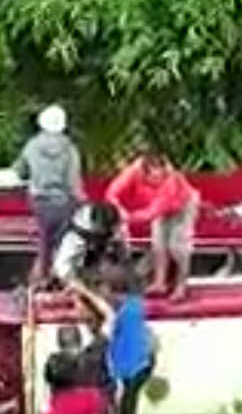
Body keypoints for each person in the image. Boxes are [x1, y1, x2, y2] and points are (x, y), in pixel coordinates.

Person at [69, 268, 154, 414]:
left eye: (76, 304)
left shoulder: (104, 334)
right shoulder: (90, 333)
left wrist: (84, 291)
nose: (74, 310)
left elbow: (109, 315)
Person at [105, 151, 200, 295]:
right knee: (158, 244)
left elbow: (153, 212)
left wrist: (127, 217)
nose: (158, 181)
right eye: (155, 178)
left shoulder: (170, 182)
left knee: (176, 245)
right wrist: (118, 209)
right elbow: (112, 192)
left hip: (183, 205)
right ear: (144, 173)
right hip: (158, 206)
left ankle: (181, 285)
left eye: (161, 176)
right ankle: (159, 283)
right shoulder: (134, 171)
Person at [14, 105, 84, 284]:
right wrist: (81, 200)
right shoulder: (70, 148)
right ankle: (61, 279)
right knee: (63, 242)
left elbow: (19, 171)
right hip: (64, 202)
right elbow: (72, 180)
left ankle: (42, 278)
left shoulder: (32, 145)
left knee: (45, 240)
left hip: (40, 202)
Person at [51, 200, 124, 288]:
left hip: (91, 270)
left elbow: (118, 255)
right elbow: (62, 271)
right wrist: (81, 288)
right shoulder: (74, 239)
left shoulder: (107, 223)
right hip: (70, 278)